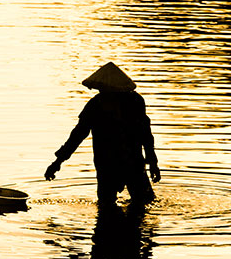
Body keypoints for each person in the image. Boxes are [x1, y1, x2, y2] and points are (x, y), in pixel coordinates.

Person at [45, 62, 160, 207]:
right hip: (123, 163)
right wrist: (153, 162)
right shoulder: (133, 102)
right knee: (142, 203)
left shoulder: (98, 105)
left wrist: (57, 162)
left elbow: (77, 135)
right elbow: (146, 135)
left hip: (112, 163)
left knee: (109, 206)